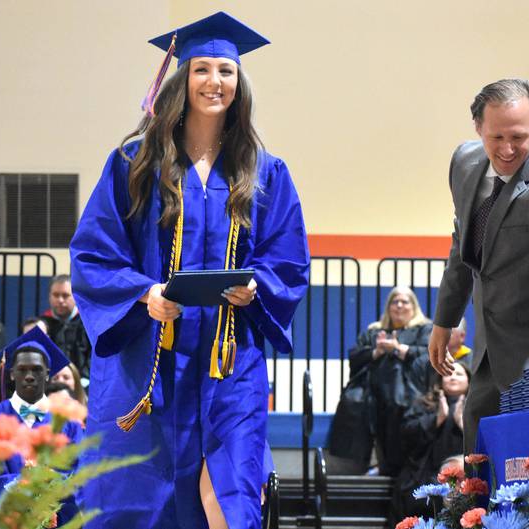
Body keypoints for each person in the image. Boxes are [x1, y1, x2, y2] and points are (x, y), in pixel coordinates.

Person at [69, 11, 309, 529]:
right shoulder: (135, 163)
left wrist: (256, 285)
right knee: (140, 502)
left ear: (239, 81)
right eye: (202, 69)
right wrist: (143, 293)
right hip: (150, 364)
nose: (214, 81)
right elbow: (93, 253)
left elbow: (286, 259)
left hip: (228, 362)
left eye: (226, 70)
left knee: (231, 493)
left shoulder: (264, 170)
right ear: (182, 78)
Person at [428, 79, 529, 456]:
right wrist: (443, 322)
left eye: (519, 137)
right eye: (496, 137)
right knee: (476, 473)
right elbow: (462, 247)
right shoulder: (464, 164)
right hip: (485, 356)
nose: (507, 149)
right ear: (477, 126)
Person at [0, 327, 83, 523]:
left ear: (47, 374)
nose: (29, 376)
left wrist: (48, 486)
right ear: (11, 374)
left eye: (36, 369)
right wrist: (15, 485)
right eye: (22, 369)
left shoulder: (67, 422)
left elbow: (81, 475)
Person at [348, 286, 432, 477]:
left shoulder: (425, 329)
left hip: (411, 393)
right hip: (375, 393)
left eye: (405, 301)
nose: (399, 306)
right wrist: (376, 352)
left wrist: (399, 349)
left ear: (414, 306)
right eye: (395, 302)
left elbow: (430, 356)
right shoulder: (374, 331)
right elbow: (355, 356)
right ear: (388, 307)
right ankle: (377, 464)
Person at [395, 362, 470, 519]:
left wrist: (464, 425)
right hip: (427, 471)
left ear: (469, 380)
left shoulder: (476, 406)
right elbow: (405, 435)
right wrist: (436, 419)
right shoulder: (425, 403)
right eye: (448, 373)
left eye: (459, 374)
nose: (453, 377)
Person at [40, 274, 92, 380]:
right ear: (49, 297)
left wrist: (84, 380)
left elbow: (94, 358)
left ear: (75, 296)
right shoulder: (42, 325)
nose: (60, 300)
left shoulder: (88, 324)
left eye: (65, 295)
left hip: (84, 384)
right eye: (55, 295)